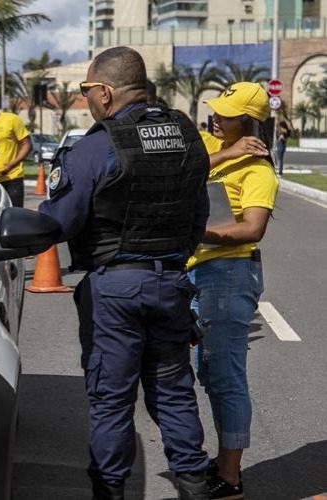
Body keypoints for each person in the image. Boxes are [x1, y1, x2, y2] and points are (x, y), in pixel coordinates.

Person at [38, 46, 211, 500]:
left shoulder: (97, 146)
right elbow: (198, 215)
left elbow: (60, 222)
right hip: (172, 282)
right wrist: (169, 259)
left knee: (111, 398)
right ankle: (194, 486)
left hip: (114, 287)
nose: (88, 99)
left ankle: (110, 491)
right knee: (173, 391)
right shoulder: (186, 138)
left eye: (87, 90)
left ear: (106, 92)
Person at [189, 82, 279, 500]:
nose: (216, 117)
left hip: (227, 273)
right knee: (206, 371)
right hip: (195, 271)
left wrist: (199, 232)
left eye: (226, 113)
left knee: (226, 376)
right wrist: (227, 152)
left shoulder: (259, 170)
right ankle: (224, 458)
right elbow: (186, 171)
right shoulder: (212, 145)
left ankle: (230, 474)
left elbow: (252, 228)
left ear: (247, 121)